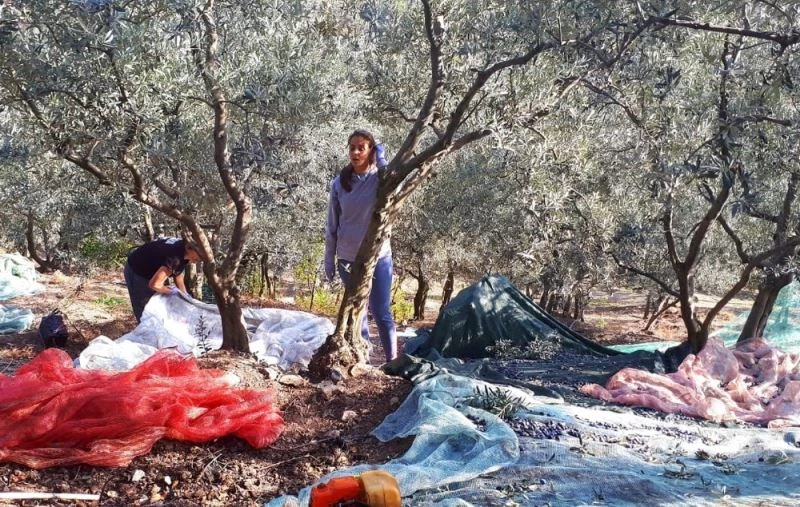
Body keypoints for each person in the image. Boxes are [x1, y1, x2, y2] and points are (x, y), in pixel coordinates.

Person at [324, 129, 398, 362]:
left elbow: (393, 179)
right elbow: (332, 224)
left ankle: (391, 361)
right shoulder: (339, 183)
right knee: (358, 311)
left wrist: (382, 157)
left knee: (382, 312)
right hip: (348, 257)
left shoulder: (379, 179)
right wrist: (329, 259)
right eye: (352, 148)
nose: (355, 152)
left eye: (362, 148)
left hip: (378, 256)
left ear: (370, 151)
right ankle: (363, 362)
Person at [123, 237, 201, 322]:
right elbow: (155, 285)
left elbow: (177, 273)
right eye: (199, 255)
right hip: (137, 271)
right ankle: (146, 331)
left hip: (151, 269)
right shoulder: (175, 257)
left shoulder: (184, 251)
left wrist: (184, 293)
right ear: (189, 248)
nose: (200, 259)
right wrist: (172, 292)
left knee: (157, 308)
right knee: (146, 311)